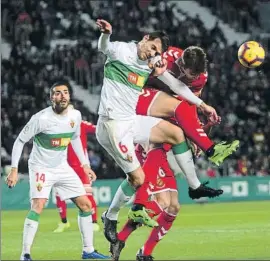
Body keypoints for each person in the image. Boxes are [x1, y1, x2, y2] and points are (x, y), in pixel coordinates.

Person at [100, 43, 239, 242]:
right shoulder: (167, 55)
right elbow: (176, 88)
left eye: (193, 75)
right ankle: (209, 152)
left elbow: (187, 99)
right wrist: (203, 113)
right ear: (181, 64)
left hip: (154, 107)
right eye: (186, 72)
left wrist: (196, 132)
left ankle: (133, 210)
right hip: (136, 94)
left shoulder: (201, 78)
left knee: (168, 140)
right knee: (178, 110)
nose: (190, 77)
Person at [5, 81, 109, 260]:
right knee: (38, 205)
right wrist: (14, 169)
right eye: (58, 93)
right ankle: (25, 254)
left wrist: (85, 165)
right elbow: (20, 141)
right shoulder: (41, 119)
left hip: (62, 167)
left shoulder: (75, 116)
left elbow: (75, 138)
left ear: (69, 96)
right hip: (41, 167)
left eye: (65, 92)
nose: (62, 96)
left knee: (86, 205)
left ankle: (88, 251)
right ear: (51, 97)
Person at [53, 116, 100, 233]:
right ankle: (64, 222)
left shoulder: (82, 124)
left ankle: (94, 222)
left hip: (81, 166)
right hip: (64, 165)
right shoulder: (58, 126)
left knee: (88, 194)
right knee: (59, 194)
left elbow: (97, 129)